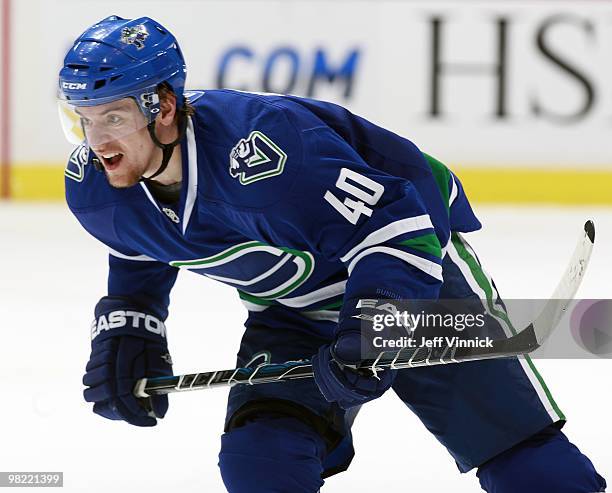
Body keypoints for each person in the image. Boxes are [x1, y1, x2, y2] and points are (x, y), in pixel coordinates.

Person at [58, 15, 606, 493]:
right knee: (260, 464)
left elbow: (398, 223)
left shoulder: (268, 153)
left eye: (114, 117)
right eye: (84, 117)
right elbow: (139, 235)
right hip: (294, 312)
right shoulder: (94, 184)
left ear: (166, 107)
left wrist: (379, 324)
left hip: (416, 288)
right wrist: (132, 322)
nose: (97, 138)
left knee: (532, 472)